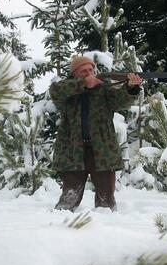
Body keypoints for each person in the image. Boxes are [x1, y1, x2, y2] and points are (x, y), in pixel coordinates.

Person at [49, 55, 142, 211]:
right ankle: (60, 228)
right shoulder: (67, 89)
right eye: (84, 70)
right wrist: (84, 84)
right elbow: (56, 92)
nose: (89, 72)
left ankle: (106, 230)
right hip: (73, 151)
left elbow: (121, 101)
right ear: (74, 74)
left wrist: (131, 88)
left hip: (102, 151)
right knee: (68, 199)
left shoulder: (104, 89)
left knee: (106, 200)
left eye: (91, 69)